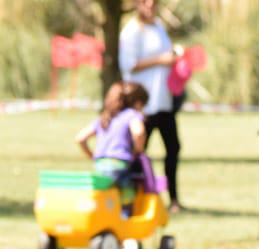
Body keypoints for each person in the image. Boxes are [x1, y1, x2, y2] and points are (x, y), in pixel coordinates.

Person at [120, 0, 183, 212]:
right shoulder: (131, 32)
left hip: (163, 102)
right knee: (138, 153)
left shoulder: (158, 27)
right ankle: (133, 199)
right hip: (143, 106)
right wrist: (160, 60)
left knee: (173, 149)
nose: (150, 5)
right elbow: (128, 65)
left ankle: (173, 199)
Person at [75, 81, 149, 213]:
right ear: (138, 103)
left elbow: (80, 138)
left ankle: (105, 219)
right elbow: (138, 132)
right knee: (127, 192)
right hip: (120, 164)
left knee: (105, 194)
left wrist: (92, 156)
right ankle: (125, 220)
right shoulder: (131, 115)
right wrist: (138, 149)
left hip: (100, 164)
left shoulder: (105, 117)